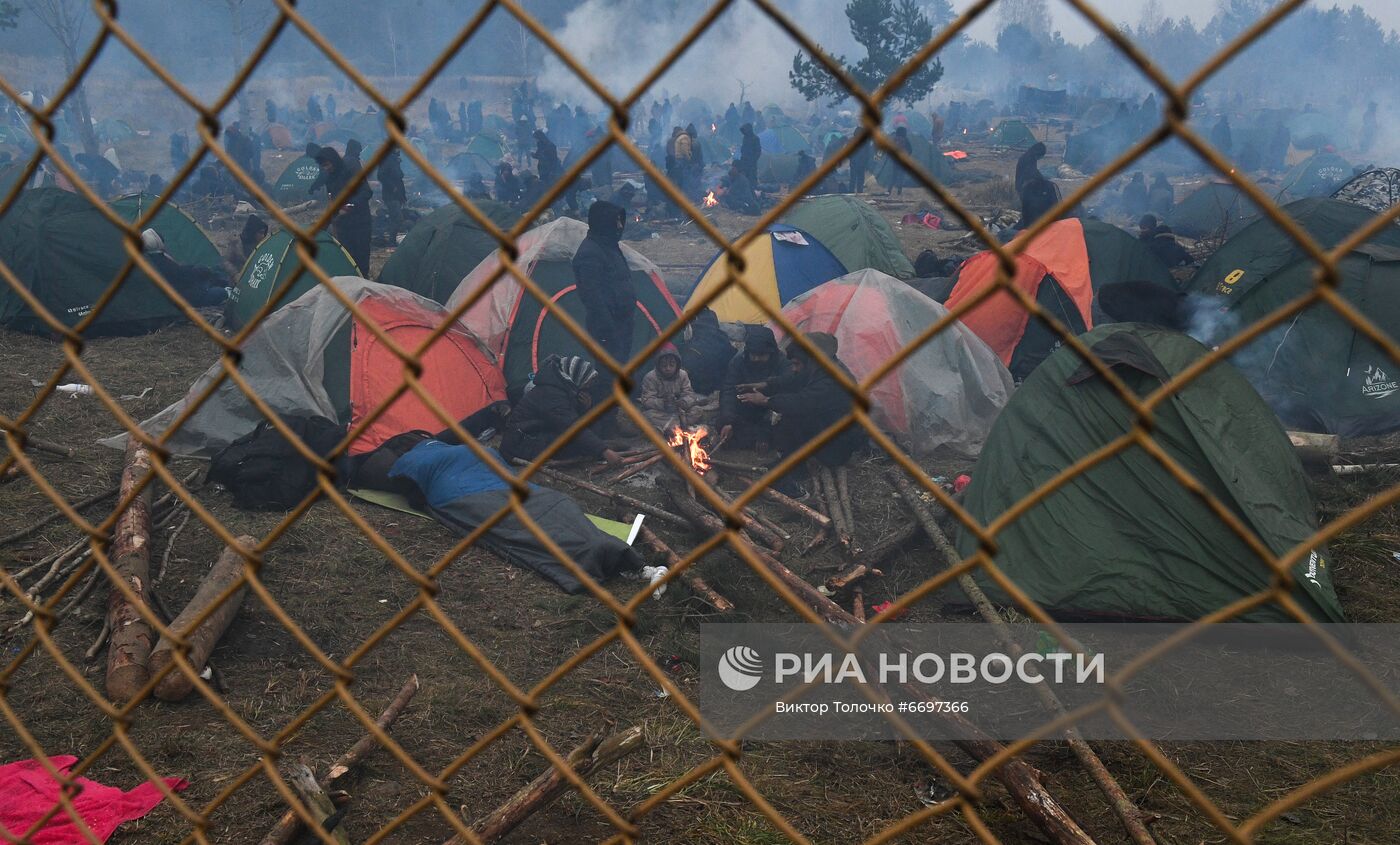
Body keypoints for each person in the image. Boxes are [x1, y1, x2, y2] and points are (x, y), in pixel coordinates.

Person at [737, 332, 863, 478]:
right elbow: (793, 380)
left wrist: (766, 401)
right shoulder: (819, 368)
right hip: (827, 430)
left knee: (794, 416)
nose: (794, 368)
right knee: (787, 419)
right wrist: (765, 385)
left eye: (797, 364)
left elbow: (801, 402)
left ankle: (795, 469)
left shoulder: (832, 381)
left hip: (838, 445)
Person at [500, 355, 623, 465]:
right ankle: (604, 447)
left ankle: (602, 446)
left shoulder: (562, 387)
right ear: (577, 377)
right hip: (522, 443)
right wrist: (604, 451)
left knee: (593, 427)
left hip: (538, 433)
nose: (587, 387)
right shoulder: (550, 394)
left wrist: (585, 408)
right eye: (587, 383)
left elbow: (568, 417)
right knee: (579, 444)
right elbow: (570, 426)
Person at [572, 200, 636, 369]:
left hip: (622, 323)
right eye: (616, 221)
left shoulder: (610, 247)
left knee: (620, 367)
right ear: (604, 222)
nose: (620, 225)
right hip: (607, 328)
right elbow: (593, 298)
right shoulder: (590, 254)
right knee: (608, 372)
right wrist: (609, 331)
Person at [717, 325, 783, 450]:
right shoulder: (738, 362)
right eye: (754, 354)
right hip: (744, 410)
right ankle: (758, 439)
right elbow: (728, 391)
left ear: (771, 352)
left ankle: (762, 438)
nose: (756, 358)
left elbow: (789, 392)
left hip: (771, 412)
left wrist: (766, 400)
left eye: (762, 355)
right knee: (722, 422)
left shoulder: (781, 363)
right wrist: (729, 421)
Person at [313, 146, 372, 273]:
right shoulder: (330, 178)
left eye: (327, 164)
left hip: (361, 222)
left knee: (361, 257)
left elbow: (366, 192)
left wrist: (350, 205)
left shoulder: (351, 170)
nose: (326, 168)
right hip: (343, 225)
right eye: (323, 166)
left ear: (333, 160)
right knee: (347, 257)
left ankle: (364, 282)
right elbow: (332, 202)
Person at [140, 229, 228, 307]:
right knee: (221, 292)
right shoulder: (162, 261)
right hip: (187, 297)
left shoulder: (150, 258)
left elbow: (180, 272)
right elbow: (182, 275)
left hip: (184, 291)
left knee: (207, 274)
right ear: (158, 242)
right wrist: (199, 270)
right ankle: (227, 286)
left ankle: (223, 282)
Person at [636, 345, 703, 430]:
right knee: (648, 416)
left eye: (671, 365)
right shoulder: (650, 377)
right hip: (661, 412)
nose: (668, 368)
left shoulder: (683, 375)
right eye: (664, 365)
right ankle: (680, 425)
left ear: (677, 364)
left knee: (697, 410)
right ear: (658, 365)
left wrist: (683, 402)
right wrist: (663, 403)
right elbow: (647, 400)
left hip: (679, 410)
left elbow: (689, 394)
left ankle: (670, 426)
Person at [678, 308, 733, 396]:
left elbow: (686, 369)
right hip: (722, 384)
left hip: (700, 387)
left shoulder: (693, 345)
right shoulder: (722, 336)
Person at [377, 147, 406, 245]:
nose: (399, 150)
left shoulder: (394, 159)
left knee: (394, 218)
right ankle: (391, 240)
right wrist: (392, 187)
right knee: (398, 218)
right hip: (390, 195)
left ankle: (390, 239)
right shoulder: (388, 159)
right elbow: (381, 175)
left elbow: (398, 176)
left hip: (397, 195)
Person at [888, 126, 913, 196]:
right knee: (901, 176)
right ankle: (899, 191)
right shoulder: (905, 140)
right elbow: (910, 150)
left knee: (894, 176)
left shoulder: (895, 139)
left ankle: (889, 190)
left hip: (895, 160)